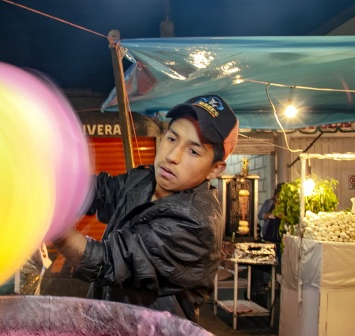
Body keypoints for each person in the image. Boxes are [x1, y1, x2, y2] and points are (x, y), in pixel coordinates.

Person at [52, 95, 238, 322]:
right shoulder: (144, 179)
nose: (171, 156)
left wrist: (52, 221)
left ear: (214, 170)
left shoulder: (196, 223)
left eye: (193, 151)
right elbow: (100, 191)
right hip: (109, 325)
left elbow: (109, 263)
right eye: (171, 138)